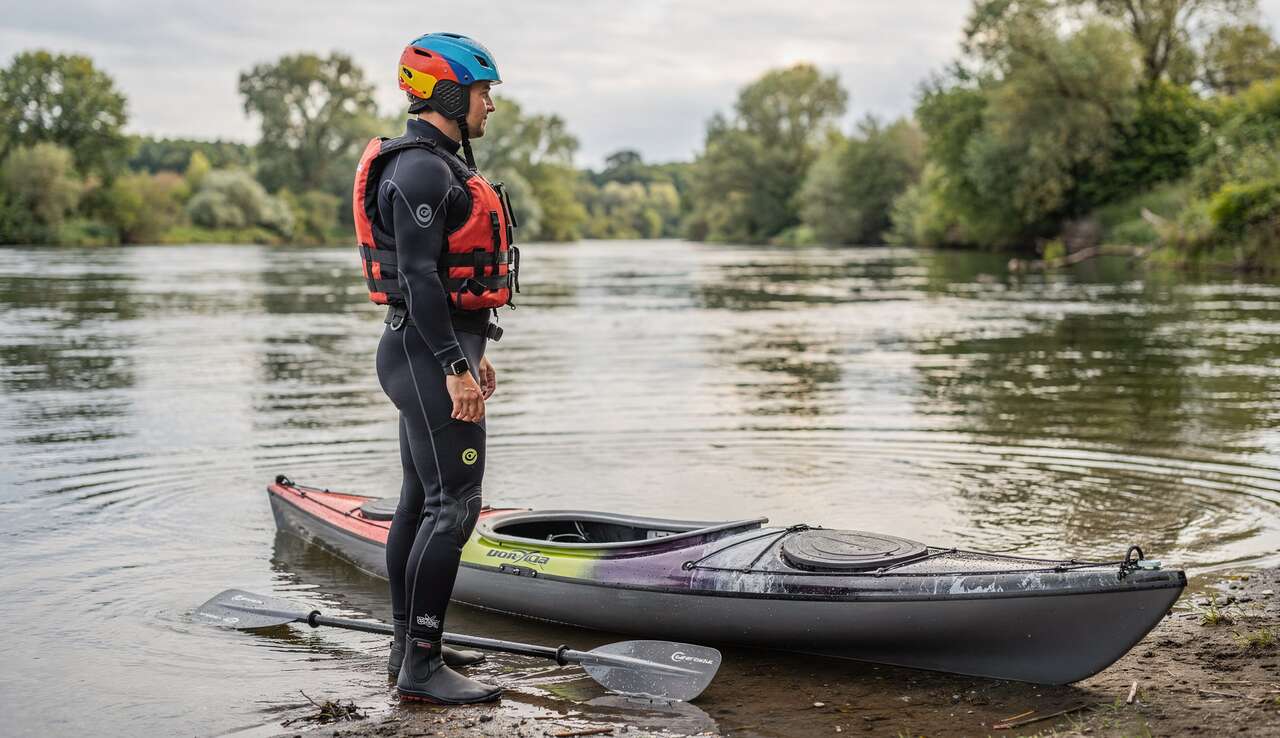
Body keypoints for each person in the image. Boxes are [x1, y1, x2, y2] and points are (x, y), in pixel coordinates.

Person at [351, 32, 519, 704]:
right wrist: (455, 365)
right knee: (455, 506)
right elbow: (419, 277)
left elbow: (437, 283)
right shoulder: (421, 169)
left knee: (422, 501)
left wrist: (474, 357)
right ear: (448, 93)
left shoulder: (436, 166)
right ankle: (421, 664)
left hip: (425, 354)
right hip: (425, 357)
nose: (489, 107)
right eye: (483, 93)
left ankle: (407, 649)